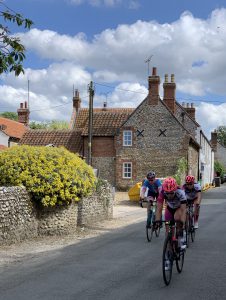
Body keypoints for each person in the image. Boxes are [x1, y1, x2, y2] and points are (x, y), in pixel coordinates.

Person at [155, 177, 187, 251]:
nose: (169, 195)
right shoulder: (162, 192)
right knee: (168, 229)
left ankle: (181, 237)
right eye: (167, 193)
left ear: (175, 190)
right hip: (169, 208)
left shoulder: (181, 193)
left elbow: (183, 210)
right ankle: (169, 251)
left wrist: (182, 223)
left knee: (177, 219)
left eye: (171, 193)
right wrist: (157, 220)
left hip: (178, 208)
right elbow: (159, 208)